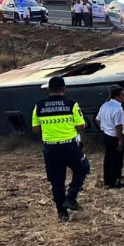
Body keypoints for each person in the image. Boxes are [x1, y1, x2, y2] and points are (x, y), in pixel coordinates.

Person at [32, 76, 89, 221]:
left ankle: (62, 213)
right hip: (69, 146)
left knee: (56, 180)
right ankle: (71, 196)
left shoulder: (38, 106)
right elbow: (81, 125)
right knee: (83, 168)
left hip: (50, 148)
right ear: (64, 89)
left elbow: (36, 129)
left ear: (48, 90)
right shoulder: (71, 105)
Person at [95, 85, 124, 189]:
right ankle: (115, 181)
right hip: (114, 136)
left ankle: (107, 180)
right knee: (117, 159)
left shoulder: (104, 106)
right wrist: (120, 140)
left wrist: (104, 128)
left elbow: (97, 119)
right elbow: (118, 126)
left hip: (106, 134)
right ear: (116, 96)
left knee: (108, 158)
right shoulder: (118, 108)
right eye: (123, 95)